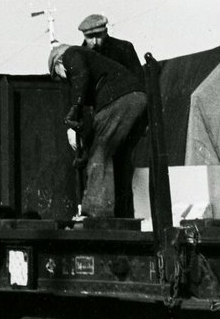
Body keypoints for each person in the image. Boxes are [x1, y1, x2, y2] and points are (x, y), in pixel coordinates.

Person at [49, 41, 148, 219]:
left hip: (120, 99)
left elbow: (80, 76)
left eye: (61, 76)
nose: (66, 80)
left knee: (99, 153)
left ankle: (95, 211)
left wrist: (75, 107)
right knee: (118, 158)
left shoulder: (70, 54)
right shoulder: (95, 64)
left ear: (58, 63)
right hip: (137, 99)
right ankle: (122, 215)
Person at [78, 13, 143, 82]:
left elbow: (137, 79)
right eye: (89, 37)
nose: (94, 41)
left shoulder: (124, 48)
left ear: (105, 32)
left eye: (98, 35)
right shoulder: (79, 54)